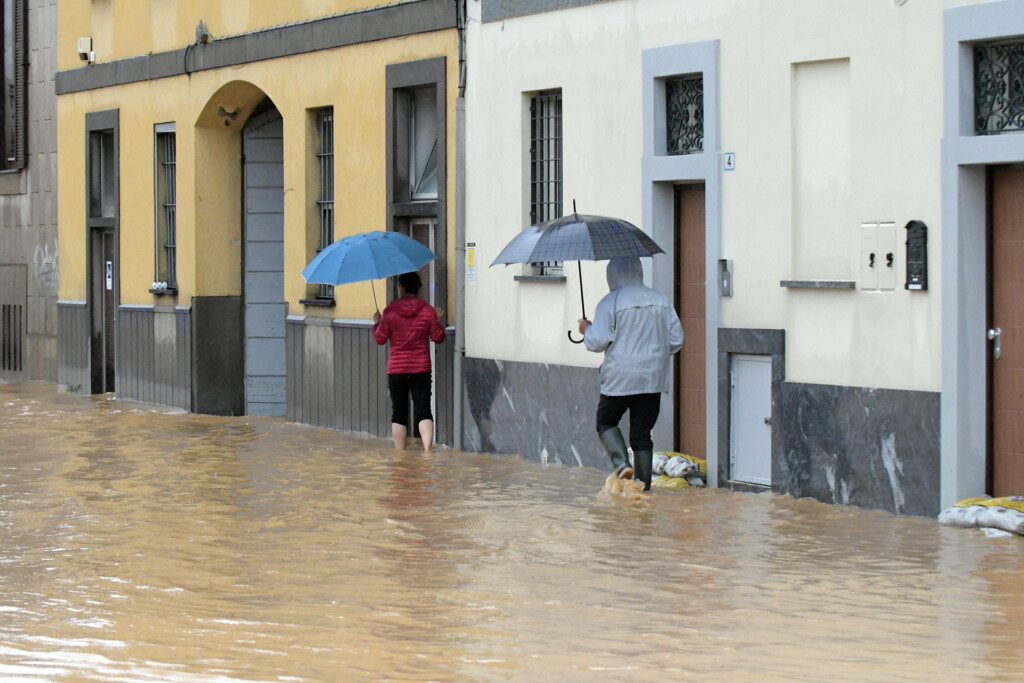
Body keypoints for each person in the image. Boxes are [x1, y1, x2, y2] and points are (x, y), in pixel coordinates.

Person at [578, 257, 684, 490]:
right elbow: (677, 339)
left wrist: (587, 329)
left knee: (605, 422)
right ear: (638, 272)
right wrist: (653, 353)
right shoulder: (660, 300)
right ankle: (644, 490)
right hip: (652, 380)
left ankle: (622, 464)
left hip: (619, 379)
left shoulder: (610, 301)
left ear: (611, 275)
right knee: (642, 435)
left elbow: (596, 342)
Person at [372, 271, 446, 452]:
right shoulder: (428, 311)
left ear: (402, 288)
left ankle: (400, 454)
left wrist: (376, 322)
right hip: (420, 368)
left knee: (399, 412)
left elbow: (380, 339)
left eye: (398, 286)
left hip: (397, 370)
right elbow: (438, 337)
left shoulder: (390, 311)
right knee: (424, 410)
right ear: (418, 288)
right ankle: (428, 451)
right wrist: (436, 320)